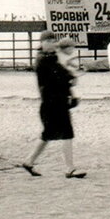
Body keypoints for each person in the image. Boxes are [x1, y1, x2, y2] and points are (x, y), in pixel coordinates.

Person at [20, 33, 86, 179]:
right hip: (53, 103)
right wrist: (71, 79)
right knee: (66, 133)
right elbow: (58, 75)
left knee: (48, 134)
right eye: (48, 41)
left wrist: (70, 80)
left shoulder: (47, 57)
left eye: (53, 40)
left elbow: (61, 73)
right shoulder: (44, 60)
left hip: (53, 103)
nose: (52, 43)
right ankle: (70, 168)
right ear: (42, 42)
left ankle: (29, 161)